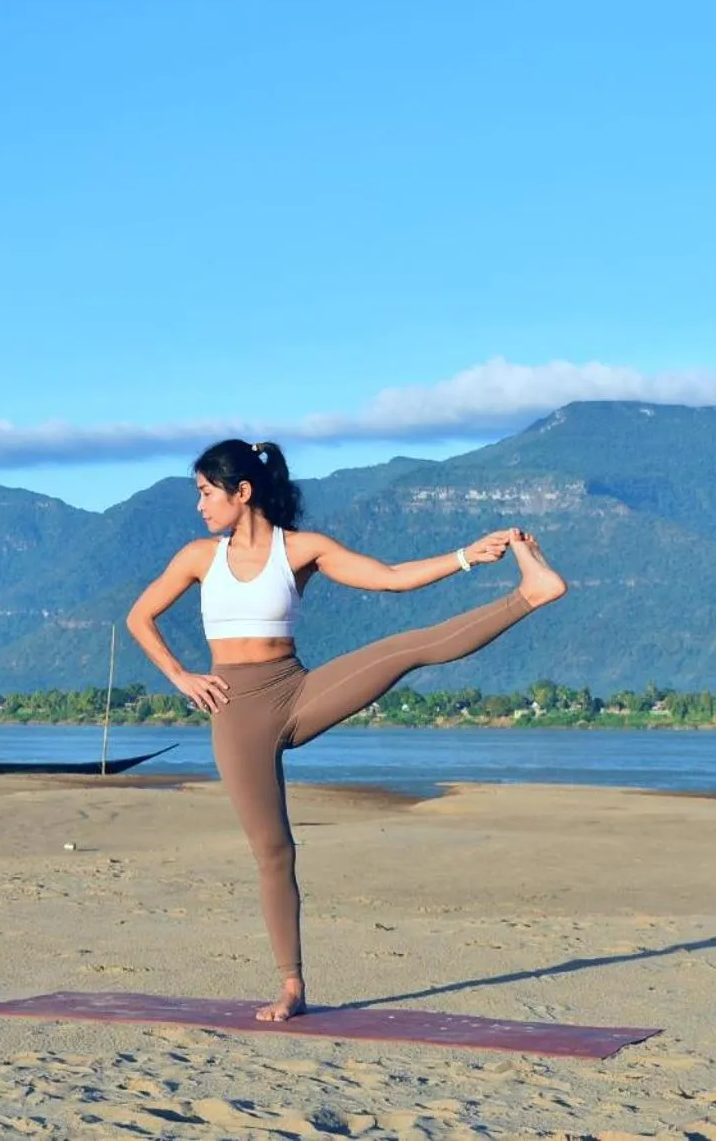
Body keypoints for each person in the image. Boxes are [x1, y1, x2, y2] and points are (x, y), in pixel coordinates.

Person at [125, 438, 566, 1021]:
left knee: (405, 648)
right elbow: (140, 617)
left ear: (242, 491)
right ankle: (291, 985)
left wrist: (466, 556)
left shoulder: (302, 549)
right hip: (235, 713)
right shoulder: (198, 557)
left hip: (296, 692)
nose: (200, 505)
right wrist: (181, 677)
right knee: (273, 851)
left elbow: (390, 578)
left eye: (207, 493)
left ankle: (531, 593)